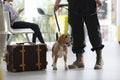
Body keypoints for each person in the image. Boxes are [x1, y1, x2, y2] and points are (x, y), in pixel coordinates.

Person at [53, 0, 104, 69]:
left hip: (88, 3)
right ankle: (79, 60)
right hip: (74, 3)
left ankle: (99, 58)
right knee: (76, 31)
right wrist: (57, 3)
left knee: (93, 29)